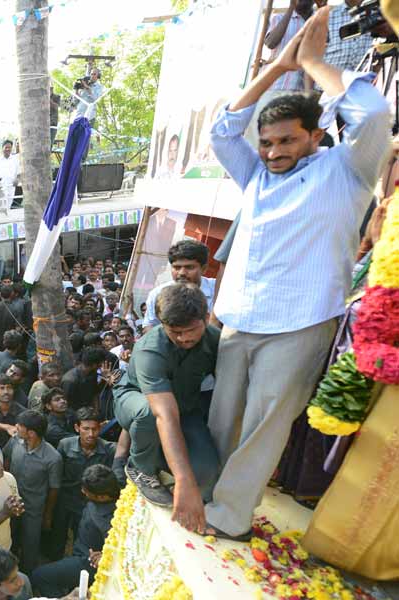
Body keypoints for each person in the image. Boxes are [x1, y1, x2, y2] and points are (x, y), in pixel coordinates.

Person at [204, 7, 389, 540]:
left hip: (301, 323)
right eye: (266, 142)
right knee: (223, 423)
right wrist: (278, 64)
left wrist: (315, 62)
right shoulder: (257, 176)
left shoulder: (347, 171)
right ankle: (206, 496)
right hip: (240, 319)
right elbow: (222, 132)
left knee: (265, 430)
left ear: (314, 136)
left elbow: (373, 115)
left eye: (286, 140)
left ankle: (230, 518)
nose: (273, 151)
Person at [113, 284, 221, 533]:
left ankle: (163, 461)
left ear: (206, 318)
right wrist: (183, 480)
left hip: (185, 407)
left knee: (206, 472)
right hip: (137, 401)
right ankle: (141, 467)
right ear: (163, 324)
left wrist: (190, 481)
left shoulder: (215, 341)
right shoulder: (151, 350)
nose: (184, 338)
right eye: (175, 332)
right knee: (149, 414)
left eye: (191, 330)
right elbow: (164, 415)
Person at [30, 465, 120, 598]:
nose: (83, 491)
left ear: (101, 497)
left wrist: (105, 556)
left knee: (40, 576)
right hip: (78, 549)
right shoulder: (112, 487)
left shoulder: (108, 522)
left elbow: (121, 549)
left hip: (86, 561)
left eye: (86, 490)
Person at [49, 407, 118, 560]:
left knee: (83, 540)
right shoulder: (65, 445)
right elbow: (56, 475)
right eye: (86, 429)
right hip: (66, 501)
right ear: (77, 428)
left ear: (100, 428)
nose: (91, 434)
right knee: (58, 535)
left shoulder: (110, 450)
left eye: (95, 429)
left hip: (90, 504)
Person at [2, 410, 61, 573]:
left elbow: (54, 489)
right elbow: (6, 460)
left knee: (30, 546)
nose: (16, 428)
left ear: (31, 433)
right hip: (11, 505)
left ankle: (28, 577)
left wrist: (47, 515)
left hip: (33, 510)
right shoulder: (15, 441)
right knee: (9, 540)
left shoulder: (53, 458)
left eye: (20, 426)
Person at [141, 240, 216, 331]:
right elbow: (149, 326)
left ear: (203, 269)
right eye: (177, 267)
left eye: (189, 267)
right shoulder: (157, 294)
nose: (182, 273)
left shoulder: (218, 289)